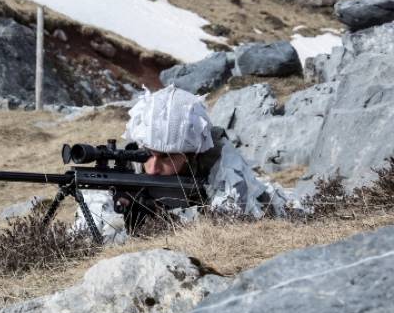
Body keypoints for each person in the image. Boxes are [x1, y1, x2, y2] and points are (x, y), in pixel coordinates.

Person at [74, 85, 304, 240]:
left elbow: (234, 226)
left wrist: (162, 215)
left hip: (278, 207)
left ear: (191, 154)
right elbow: (85, 236)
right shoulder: (125, 164)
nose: (153, 168)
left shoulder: (219, 159)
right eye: (148, 154)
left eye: (167, 157)